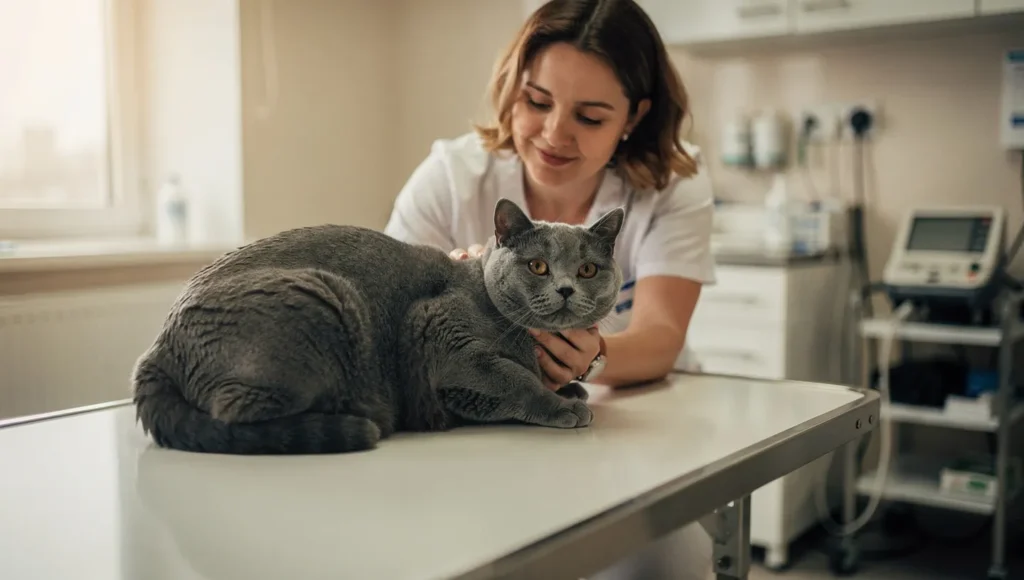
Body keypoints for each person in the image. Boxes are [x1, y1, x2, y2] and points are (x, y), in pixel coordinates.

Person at [384, 0, 715, 578]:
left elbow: (661, 335)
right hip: (481, 428)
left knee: (661, 562)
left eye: (590, 117)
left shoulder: (672, 190)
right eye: (537, 102)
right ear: (513, 87)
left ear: (633, 117)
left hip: (631, 420)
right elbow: (392, 309)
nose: (554, 134)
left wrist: (592, 356)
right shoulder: (451, 178)